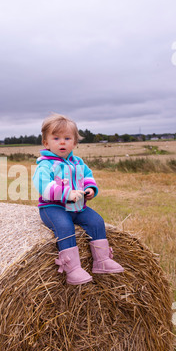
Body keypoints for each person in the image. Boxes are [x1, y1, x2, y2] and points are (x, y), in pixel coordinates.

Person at [33, 113, 124, 285]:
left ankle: (102, 260)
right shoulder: (45, 164)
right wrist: (66, 193)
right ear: (46, 143)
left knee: (97, 221)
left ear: (74, 143)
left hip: (78, 207)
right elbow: (43, 186)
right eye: (56, 138)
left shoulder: (78, 162)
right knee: (65, 226)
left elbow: (88, 176)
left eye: (67, 138)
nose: (62, 142)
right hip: (53, 208)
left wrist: (90, 189)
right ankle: (72, 269)